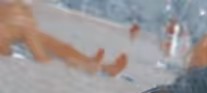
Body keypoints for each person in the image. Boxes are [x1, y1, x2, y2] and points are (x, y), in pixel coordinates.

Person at [0, 0, 128, 76]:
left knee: (51, 43)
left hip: (14, 27)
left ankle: (95, 64)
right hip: (8, 30)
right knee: (35, 39)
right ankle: (88, 67)